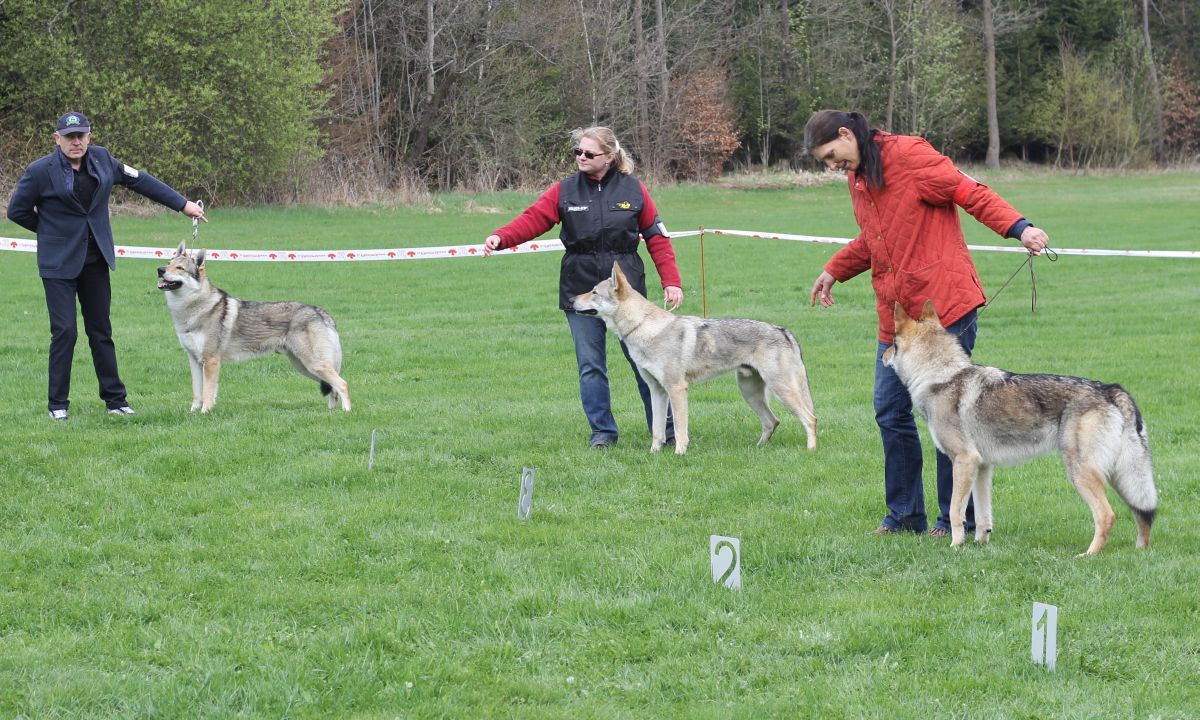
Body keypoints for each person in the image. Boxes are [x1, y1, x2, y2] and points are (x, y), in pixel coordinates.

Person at [803, 109, 1050, 537]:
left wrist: (1019, 227)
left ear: (847, 134)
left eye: (831, 155)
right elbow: (874, 238)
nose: (831, 166)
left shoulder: (911, 155)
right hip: (898, 320)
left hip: (944, 309)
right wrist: (834, 269)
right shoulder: (859, 177)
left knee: (948, 418)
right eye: (825, 162)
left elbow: (969, 192)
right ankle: (904, 517)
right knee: (890, 411)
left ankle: (954, 520)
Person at [483, 126, 684, 449]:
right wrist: (501, 237)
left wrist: (671, 282)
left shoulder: (634, 190)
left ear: (610, 157)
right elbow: (533, 218)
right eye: (578, 152)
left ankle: (667, 432)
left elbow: (658, 238)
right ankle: (603, 433)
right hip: (581, 287)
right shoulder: (564, 191)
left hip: (627, 295)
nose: (581, 158)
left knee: (646, 364)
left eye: (589, 153)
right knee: (591, 366)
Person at [6, 111, 207, 420]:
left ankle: (116, 401)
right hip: (58, 264)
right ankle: (57, 405)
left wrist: (183, 204)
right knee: (65, 332)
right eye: (69, 137)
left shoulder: (103, 160)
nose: (76, 142)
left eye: (81, 136)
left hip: (95, 260)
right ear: (57, 139)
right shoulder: (40, 171)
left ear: (89, 137)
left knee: (101, 331)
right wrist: (53, 233)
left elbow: (141, 181)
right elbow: (17, 211)